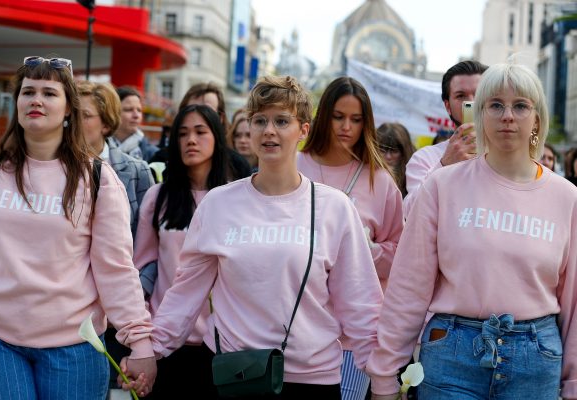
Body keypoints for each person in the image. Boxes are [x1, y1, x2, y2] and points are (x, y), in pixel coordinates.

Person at [139, 75, 383, 399]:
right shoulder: (218, 203)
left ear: (304, 131)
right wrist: (150, 350)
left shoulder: (334, 207)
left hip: (312, 379)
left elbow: (360, 302)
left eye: (282, 121)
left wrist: (382, 377)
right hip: (236, 374)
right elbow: (185, 293)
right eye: (259, 121)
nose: (269, 130)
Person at [367, 62, 577, 400]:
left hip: (535, 358)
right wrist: (385, 375)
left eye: (520, 105)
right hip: (451, 351)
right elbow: (409, 286)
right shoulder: (441, 185)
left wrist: (573, 384)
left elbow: (573, 302)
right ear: (479, 114)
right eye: (495, 105)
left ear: (537, 119)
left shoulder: (566, 197)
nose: (508, 115)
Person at [0, 56, 156, 399]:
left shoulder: (98, 179)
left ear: (69, 109)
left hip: (74, 347)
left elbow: (116, 269)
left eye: (49, 93)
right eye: (28, 92)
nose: (36, 100)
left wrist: (141, 343)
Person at [297, 76, 402, 400]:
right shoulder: (295, 166)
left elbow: (400, 254)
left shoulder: (380, 180)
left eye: (356, 120)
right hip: (295, 327)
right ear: (322, 116)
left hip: (353, 336)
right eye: (338, 116)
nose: (346, 127)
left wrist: (363, 251)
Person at [132, 104, 231, 398]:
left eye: (201, 132)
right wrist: (145, 333)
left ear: (217, 137)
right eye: (183, 134)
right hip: (164, 341)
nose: (191, 140)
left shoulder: (235, 198)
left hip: (220, 345)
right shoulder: (158, 196)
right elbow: (142, 267)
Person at [404, 60, 488, 217]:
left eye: (479, 94)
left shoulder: (508, 154)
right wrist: (444, 165)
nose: (471, 102)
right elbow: (410, 213)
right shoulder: (425, 159)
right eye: (461, 96)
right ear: (447, 106)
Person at [77, 81, 154, 236]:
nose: (75, 122)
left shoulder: (137, 171)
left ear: (106, 123)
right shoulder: (54, 165)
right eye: (72, 115)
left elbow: (146, 239)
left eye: (85, 115)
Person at [110, 86, 159, 162]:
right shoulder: (98, 150)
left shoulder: (153, 154)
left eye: (139, 110)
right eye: (129, 109)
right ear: (113, 112)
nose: (136, 115)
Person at [376, 122, 415, 197]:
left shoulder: (413, 179)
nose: (388, 157)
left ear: (404, 153)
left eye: (394, 151)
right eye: (382, 150)